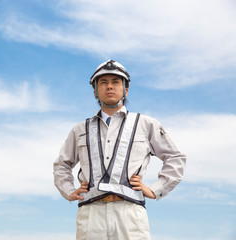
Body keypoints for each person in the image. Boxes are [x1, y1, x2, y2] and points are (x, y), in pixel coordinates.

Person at [53, 59, 186, 240]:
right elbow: (62, 164)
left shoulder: (145, 124)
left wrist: (156, 190)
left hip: (130, 213)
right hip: (91, 213)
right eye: (103, 82)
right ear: (95, 90)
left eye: (116, 82)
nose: (110, 87)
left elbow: (174, 157)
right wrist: (69, 190)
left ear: (126, 89)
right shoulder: (80, 129)